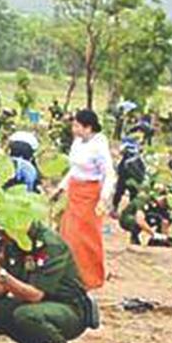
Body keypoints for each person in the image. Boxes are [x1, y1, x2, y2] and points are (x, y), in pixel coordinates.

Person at [58, 108, 114, 289]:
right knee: (68, 234)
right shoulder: (77, 143)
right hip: (74, 191)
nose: (73, 129)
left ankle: (90, 278)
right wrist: (61, 187)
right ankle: (69, 275)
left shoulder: (99, 146)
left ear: (88, 127)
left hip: (90, 194)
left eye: (77, 126)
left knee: (86, 238)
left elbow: (109, 174)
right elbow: (73, 169)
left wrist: (103, 199)